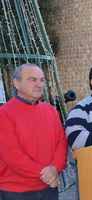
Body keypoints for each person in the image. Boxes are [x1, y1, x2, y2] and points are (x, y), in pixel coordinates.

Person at [0, 64, 67, 200]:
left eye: (42, 80)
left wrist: (55, 168)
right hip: (17, 191)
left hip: (48, 186)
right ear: (16, 83)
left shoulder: (51, 111)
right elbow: (11, 154)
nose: (39, 84)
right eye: (32, 80)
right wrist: (45, 174)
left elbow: (61, 143)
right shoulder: (4, 114)